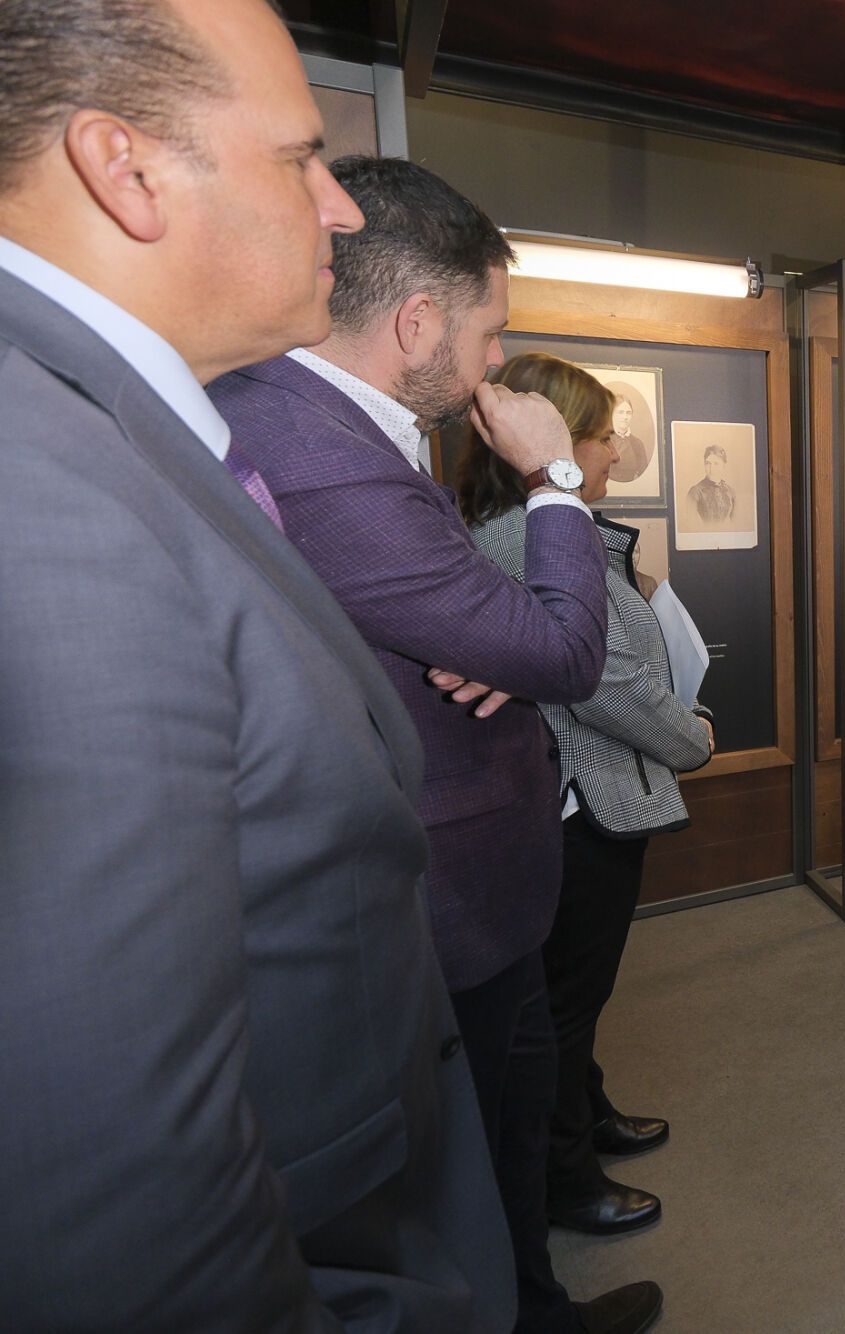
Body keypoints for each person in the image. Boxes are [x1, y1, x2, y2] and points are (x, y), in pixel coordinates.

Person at [0, 1, 511, 1327]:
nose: (340, 208)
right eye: (300, 159)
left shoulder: (118, 429)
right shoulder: (40, 493)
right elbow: (119, 1205)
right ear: (125, 170)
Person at [210, 158, 662, 1334]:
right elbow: (564, 654)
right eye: (487, 332)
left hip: (480, 891)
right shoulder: (320, 452)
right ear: (416, 322)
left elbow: (486, 628)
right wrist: (552, 474)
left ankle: (538, 1306)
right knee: (469, 1177)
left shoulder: (343, 427)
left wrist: (497, 637)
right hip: (444, 901)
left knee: (503, 1149)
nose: (493, 361)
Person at [460, 352, 718, 1236]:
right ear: (560, 442)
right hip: (580, 809)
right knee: (565, 1006)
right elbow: (608, 684)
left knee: (574, 995)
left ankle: (588, 1116)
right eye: (605, 437)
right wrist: (695, 740)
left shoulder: (534, 527)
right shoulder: (526, 539)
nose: (614, 453)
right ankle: (566, 1180)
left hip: (584, 799)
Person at [687, 441, 736, 520]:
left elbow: (736, 522)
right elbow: (690, 523)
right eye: (708, 463)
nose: (711, 468)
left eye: (716, 464)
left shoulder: (731, 492)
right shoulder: (695, 492)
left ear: (723, 466)